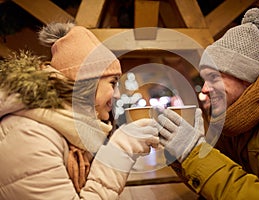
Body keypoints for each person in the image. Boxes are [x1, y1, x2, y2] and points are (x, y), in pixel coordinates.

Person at [0, 22, 159, 199]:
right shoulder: (31, 136)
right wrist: (120, 150)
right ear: (87, 83)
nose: (117, 94)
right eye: (113, 83)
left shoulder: (68, 131)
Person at [157, 8, 259, 199]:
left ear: (246, 77)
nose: (205, 89)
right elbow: (217, 189)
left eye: (214, 77)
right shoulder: (232, 120)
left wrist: (192, 151)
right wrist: (180, 155)